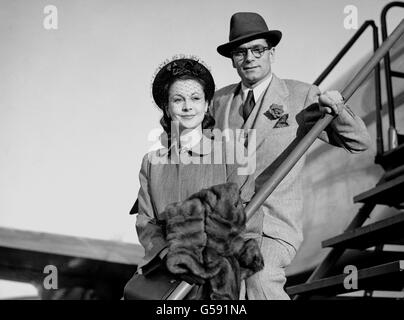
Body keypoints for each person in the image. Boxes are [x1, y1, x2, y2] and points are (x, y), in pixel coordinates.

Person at [212, 12, 371, 299]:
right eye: (240, 52)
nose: (249, 58)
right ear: (233, 59)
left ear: (272, 52)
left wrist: (338, 111)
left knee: (260, 280)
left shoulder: (301, 96)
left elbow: (359, 142)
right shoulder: (218, 101)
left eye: (258, 49)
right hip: (229, 227)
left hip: (273, 224)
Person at [135, 57, 260, 274]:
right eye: (178, 100)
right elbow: (146, 222)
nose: (187, 107)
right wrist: (167, 254)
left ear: (207, 104)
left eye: (195, 98)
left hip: (219, 271)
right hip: (166, 270)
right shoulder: (152, 163)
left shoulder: (233, 153)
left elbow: (249, 213)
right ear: (166, 107)